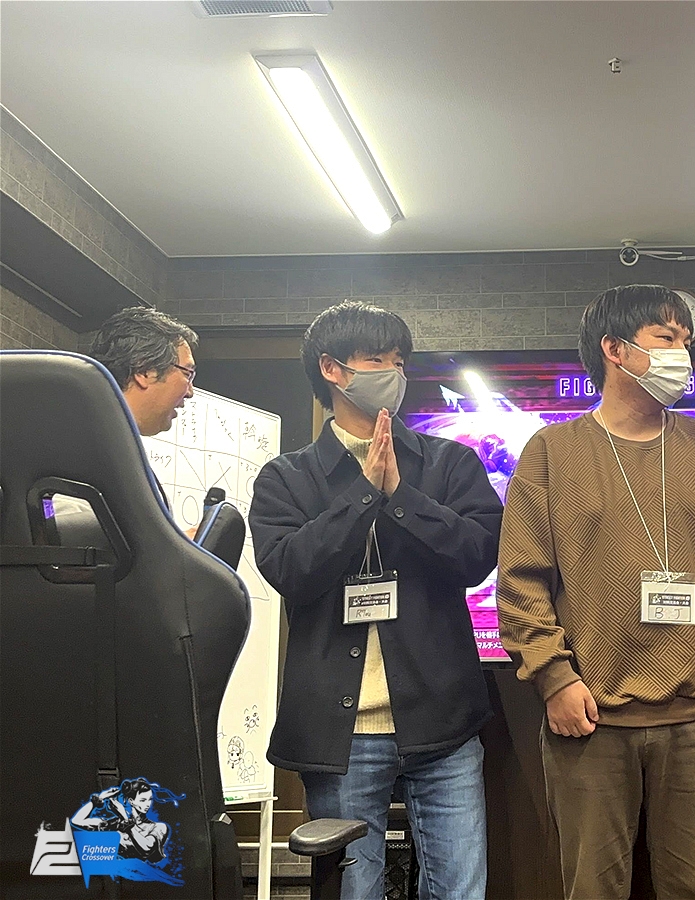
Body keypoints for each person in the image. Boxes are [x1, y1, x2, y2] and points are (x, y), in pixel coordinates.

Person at [497, 284, 695, 900]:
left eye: (687, 342)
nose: (685, 355)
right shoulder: (551, 452)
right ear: (616, 349)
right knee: (592, 890)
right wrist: (553, 676)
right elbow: (521, 582)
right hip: (588, 723)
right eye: (668, 338)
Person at [248, 301, 503, 900]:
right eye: (377, 360)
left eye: (399, 361)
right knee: (352, 891)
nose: (394, 373)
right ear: (332, 369)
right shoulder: (287, 478)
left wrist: (402, 498)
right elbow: (290, 570)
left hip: (443, 722)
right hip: (342, 732)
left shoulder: (448, 463)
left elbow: (479, 555)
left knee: (461, 889)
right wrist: (365, 495)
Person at [89, 306, 198, 437]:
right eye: (187, 374)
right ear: (145, 371)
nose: (190, 392)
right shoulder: (92, 442)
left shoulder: (86, 428)